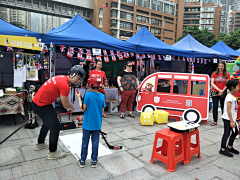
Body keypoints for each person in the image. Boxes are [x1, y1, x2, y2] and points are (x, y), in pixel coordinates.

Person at [32, 65, 85, 160]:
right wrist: (72, 108)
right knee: (55, 126)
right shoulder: (65, 86)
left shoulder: (61, 78)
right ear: (73, 74)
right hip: (41, 104)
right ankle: (53, 153)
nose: (78, 81)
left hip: (40, 102)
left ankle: (40, 143)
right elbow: (65, 104)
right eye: (78, 78)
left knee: (47, 122)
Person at [76, 74, 106, 168]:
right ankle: (94, 161)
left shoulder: (87, 95)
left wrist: (78, 98)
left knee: (85, 143)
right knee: (95, 143)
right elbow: (102, 111)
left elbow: (82, 109)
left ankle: (82, 161)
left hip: (87, 124)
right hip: (97, 124)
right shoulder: (102, 96)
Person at [220, 80, 239, 157]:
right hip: (228, 119)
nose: (238, 88)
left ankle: (229, 147)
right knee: (227, 134)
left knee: (235, 132)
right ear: (232, 87)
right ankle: (222, 149)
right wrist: (231, 121)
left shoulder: (232, 96)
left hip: (232, 119)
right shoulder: (229, 97)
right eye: (237, 86)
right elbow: (228, 110)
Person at [210, 61, 230, 126]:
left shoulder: (227, 74)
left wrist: (222, 91)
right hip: (215, 91)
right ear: (218, 67)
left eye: (222, 66)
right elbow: (212, 83)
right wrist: (218, 90)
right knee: (215, 106)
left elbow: (227, 84)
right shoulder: (214, 74)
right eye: (219, 66)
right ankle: (215, 121)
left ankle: (225, 121)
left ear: (224, 67)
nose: (221, 67)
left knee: (223, 107)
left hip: (223, 92)